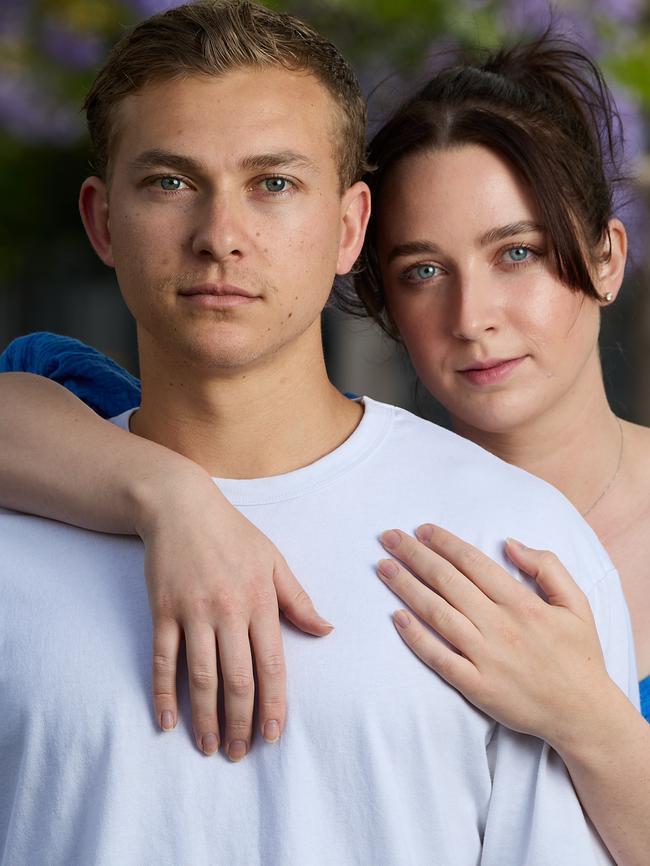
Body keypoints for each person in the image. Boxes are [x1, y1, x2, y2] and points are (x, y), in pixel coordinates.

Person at [0, 6, 639, 865]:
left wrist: (595, 722)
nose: (221, 238)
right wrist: (169, 497)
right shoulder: (49, 488)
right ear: (102, 221)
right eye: (170, 182)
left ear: (347, 228)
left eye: (273, 183)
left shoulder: (523, 555)